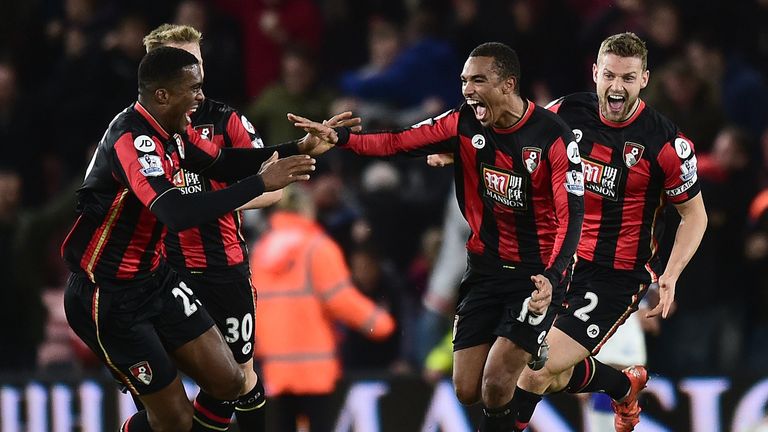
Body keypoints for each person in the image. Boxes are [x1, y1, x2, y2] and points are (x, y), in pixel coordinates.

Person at [289, 42, 585, 431]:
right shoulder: (462, 123)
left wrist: (554, 274)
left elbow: (572, 215)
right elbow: (397, 142)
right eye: (464, 80)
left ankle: (537, 350)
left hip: (535, 277)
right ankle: (549, 360)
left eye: (478, 80)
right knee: (467, 387)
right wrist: (342, 140)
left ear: (508, 84)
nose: (467, 89)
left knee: (496, 383)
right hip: (485, 269)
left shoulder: (553, 137)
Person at [61, 46, 325, 432]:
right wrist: (260, 184)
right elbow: (175, 213)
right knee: (174, 422)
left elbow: (222, 161)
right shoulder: (133, 141)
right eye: (194, 88)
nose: (201, 97)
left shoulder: (174, 129)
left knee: (230, 381)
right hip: (109, 296)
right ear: (163, 94)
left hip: (154, 278)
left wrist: (296, 149)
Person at [509, 32, 708, 432]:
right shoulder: (566, 112)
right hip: (560, 265)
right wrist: (455, 150)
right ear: (596, 73)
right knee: (529, 371)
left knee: (534, 371)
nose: (617, 87)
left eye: (629, 78)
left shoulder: (666, 143)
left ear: (645, 79)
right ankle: (623, 384)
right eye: (611, 76)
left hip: (615, 276)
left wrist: (670, 274)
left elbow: (694, 215)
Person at [250, 184, 395, 432]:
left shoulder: (261, 252)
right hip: (314, 367)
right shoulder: (317, 247)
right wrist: (381, 323)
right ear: (308, 210)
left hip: (276, 366)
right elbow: (341, 300)